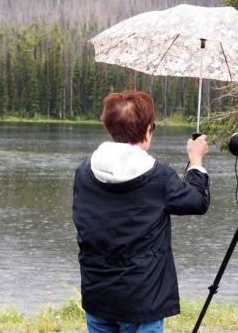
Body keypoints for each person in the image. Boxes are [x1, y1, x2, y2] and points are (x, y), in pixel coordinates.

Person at [72, 91, 210, 333]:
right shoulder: (158, 176)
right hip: (142, 300)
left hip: (97, 294)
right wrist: (196, 160)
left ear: (109, 127)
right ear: (148, 130)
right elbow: (198, 201)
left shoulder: (84, 171)